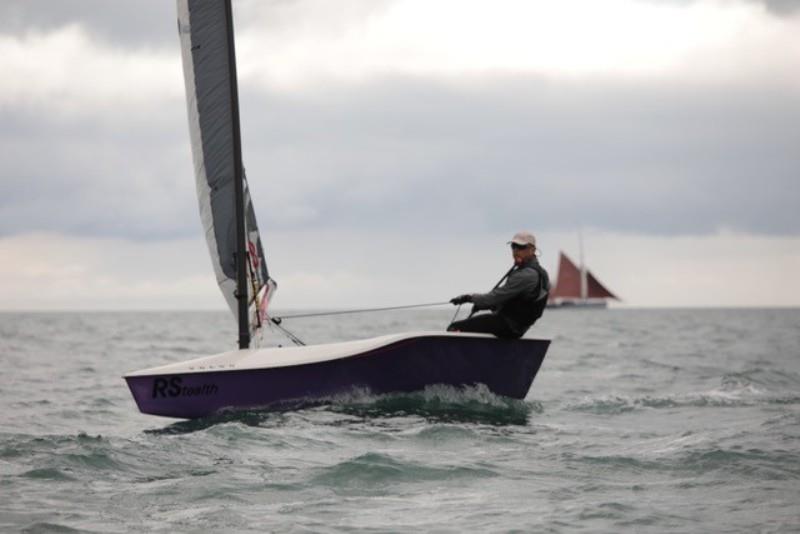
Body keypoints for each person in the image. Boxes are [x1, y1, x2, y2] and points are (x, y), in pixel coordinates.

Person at [447, 231, 549, 339]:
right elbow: (516, 301)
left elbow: (494, 297)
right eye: (513, 247)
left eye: (520, 247)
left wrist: (468, 298)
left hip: (508, 325)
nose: (515, 251)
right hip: (515, 327)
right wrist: (484, 305)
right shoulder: (539, 272)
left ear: (532, 250)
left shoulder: (526, 275)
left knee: (454, 328)